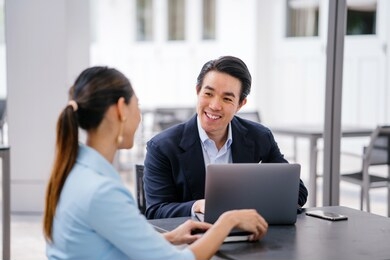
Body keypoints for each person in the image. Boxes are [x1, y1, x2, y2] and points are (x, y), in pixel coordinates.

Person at [43, 66, 268, 260]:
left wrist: (169, 237)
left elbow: (106, 242)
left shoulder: (77, 171)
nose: (139, 116)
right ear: (121, 109)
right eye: (137, 105)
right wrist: (228, 221)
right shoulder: (102, 192)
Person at [143, 55, 308, 219]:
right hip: (194, 240)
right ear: (197, 91)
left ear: (240, 104)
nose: (215, 106)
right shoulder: (162, 147)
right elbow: (156, 211)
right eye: (208, 94)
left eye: (227, 98)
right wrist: (197, 206)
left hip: (250, 237)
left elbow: (298, 192)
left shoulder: (259, 137)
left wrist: (253, 204)